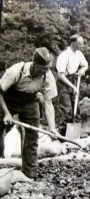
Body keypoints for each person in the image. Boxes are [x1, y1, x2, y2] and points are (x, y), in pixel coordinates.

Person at [0, 47, 57, 179]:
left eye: (48, 68)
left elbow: (49, 103)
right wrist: (7, 113)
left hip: (30, 101)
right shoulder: (15, 71)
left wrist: (52, 127)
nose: (47, 71)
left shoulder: (47, 76)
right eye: (44, 68)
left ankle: (29, 174)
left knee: (32, 137)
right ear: (35, 64)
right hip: (8, 100)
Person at [56, 34, 88, 135]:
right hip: (64, 83)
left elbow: (85, 65)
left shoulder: (78, 54)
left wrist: (82, 70)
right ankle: (63, 135)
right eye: (80, 44)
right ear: (73, 44)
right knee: (67, 110)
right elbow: (60, 75)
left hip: (74, 80)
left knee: (76, 108)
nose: (82, 46)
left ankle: (75, 135)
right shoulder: (64, 55)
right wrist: (72, 86)